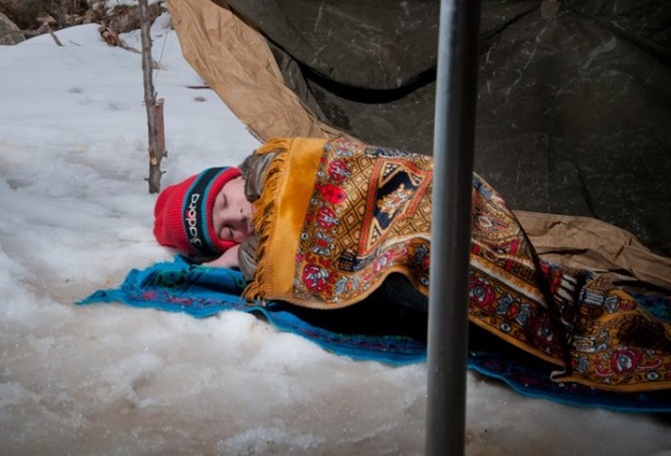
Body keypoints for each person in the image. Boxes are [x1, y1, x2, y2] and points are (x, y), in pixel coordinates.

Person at [154, 135, 671, 393]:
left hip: (423, 198)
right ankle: (537, 316)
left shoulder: (281, 160)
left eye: (226, 202)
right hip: (395, 256)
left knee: (430, 238)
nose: (239, 216)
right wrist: (245, 259)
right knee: (409, 265)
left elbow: (363, 169)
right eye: (226, 229)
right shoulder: (263, 262)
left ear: (230, 178)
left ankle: (533, 295)